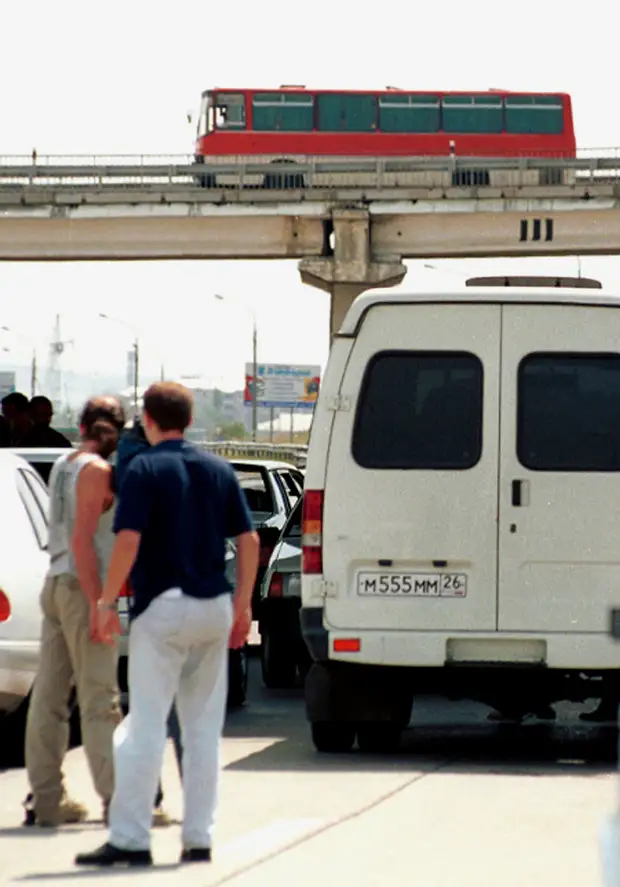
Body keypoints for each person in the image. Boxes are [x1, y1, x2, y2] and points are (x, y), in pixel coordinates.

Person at [76, 382, 259, 868]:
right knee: (202, 729)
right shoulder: (219, 469)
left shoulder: (142, 469)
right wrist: (243, 606)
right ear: (189, 417)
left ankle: (131, 839)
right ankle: (198, 838)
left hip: (162, 608)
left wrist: (105, 602)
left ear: (148, 421)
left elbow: (129, 540)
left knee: (146, 727)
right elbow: (249, 539)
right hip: (213, 608)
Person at [24, 396, 126, 827]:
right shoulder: (96, 470)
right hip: (81, 588)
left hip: (55, 582)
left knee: (48, 698)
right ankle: (120, 802)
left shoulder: (65, 463)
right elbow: (86, 541)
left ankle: (46, 799)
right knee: (99, 699)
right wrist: (101, 602)